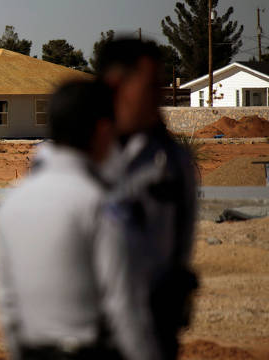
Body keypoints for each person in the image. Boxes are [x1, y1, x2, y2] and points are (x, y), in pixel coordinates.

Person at [0, 80, 161, 360]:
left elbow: (7, 304)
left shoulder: (12, 202)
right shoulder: (101, 204)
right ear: (102, 129)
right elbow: (123, 304)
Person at [96, 38, 198, 360]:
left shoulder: (171, 163)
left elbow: (182, 242)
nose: (161, 93)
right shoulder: (77, 156)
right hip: (89, 326)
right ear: (116, 84)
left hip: (154, 320)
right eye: (150, 84)